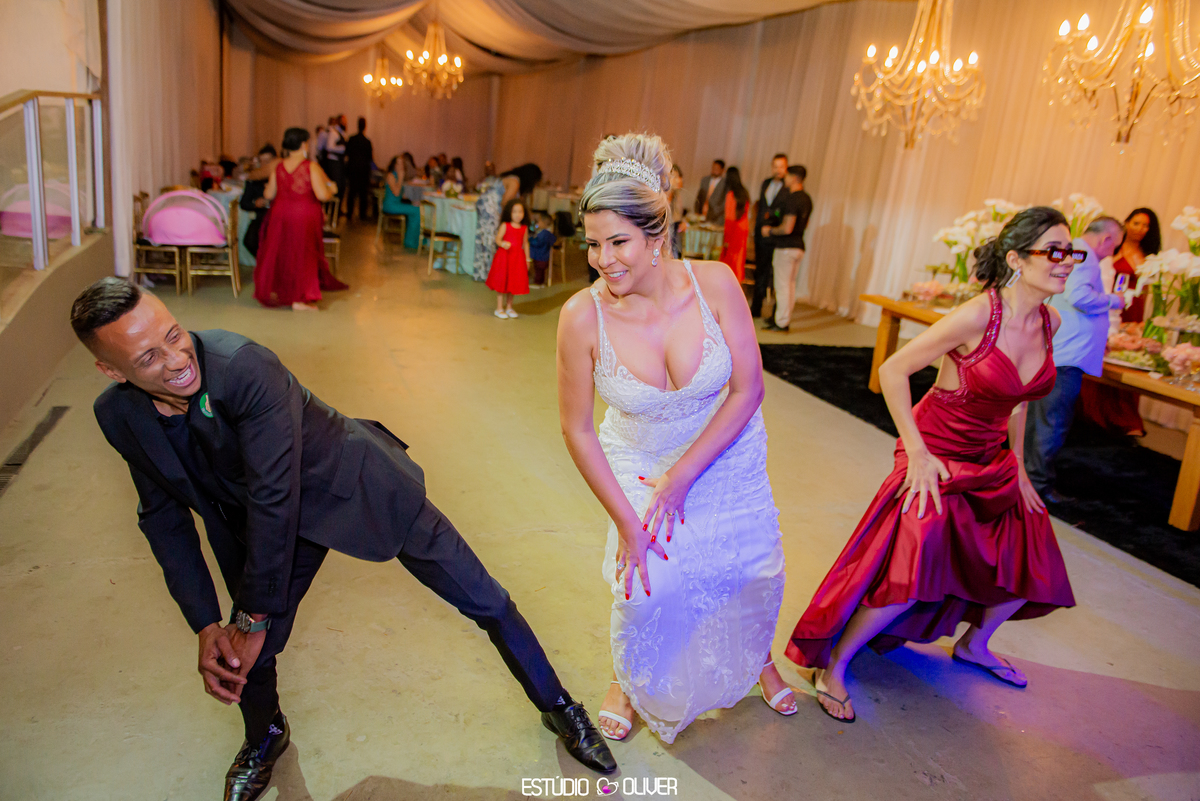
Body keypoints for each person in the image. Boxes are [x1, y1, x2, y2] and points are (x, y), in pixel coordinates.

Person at [69, 279, 617, 800]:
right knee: (245, 655)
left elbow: (275, 495)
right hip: (260, 523)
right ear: (111, 370)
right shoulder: (118, 417)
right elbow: (162, 517)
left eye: (173, 334)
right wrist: (207, 624)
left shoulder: (242, 366)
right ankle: (265, 735)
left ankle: (558, 705)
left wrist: (251, 617)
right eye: (149, 358)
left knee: (487, 601)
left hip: (352, 485)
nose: (176, 359)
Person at [786, 207, 1078, 723]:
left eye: (1071, 251)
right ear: (1016, 259)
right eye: (1054, 251)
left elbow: (1018, 402)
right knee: (914, 564)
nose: (1066, 261)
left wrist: (1018, 465)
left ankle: (974, 645)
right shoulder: (978, 315)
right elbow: (893, 369)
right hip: (937, 452)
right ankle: (835, 664)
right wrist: (917, 452)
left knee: (1031, 557)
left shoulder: (1050, 322)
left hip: (991, 458)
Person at [556, 133, 794, 745]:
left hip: (723, 448)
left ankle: (757, 658)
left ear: (656, 235)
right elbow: (577, 428)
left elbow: (748, 389)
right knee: (645, 589)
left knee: (750, 574)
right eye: (593, 244)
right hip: (638, 458)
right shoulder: (581, 316)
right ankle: (628, 677)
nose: (603, 260)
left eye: (618, 242)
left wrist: (685, 474)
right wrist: (627, 521)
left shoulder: (715, 284)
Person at [1024, 217, 1125, 504]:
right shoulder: (1084, 256)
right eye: (1115, 247)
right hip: (1067, 354)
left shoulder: (1073, 251)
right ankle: (1038, 486)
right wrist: (1114, 300)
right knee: (1052, 422)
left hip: (1057, 349)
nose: (1112, 253)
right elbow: (1079, 296)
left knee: (1038, 419)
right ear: (1106, 239)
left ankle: (1026, 479)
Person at [1077, 207, 1162, 437]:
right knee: (1107, 354)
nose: (1141, 229)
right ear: (1127, 224)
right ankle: (1095, 415)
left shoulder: (1149, 254)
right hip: (1112, 301)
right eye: (1136, 223)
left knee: (1129, 356)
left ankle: (1125, 417)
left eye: (1146, 225)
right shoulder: (1111, 250)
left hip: (1134, 308)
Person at [252, 127, 347, 311]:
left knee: (284, 253)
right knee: (304, 255)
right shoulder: (310, 166)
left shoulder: (278, 166)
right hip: (303, 215)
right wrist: (331, 189)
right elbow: (322, 195)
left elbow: (268, 194)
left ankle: (283, 291)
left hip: (280, 214)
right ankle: (300, 299)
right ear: (304, 144)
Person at [760, 165, 812, 332]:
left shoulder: (792, 199)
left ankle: (781, 322)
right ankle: (784, 319)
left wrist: (769, 231)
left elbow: (787, 227)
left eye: (788, 176)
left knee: (782, 286)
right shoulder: (807, 199)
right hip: (798, 246)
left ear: (795, 178)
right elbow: (805, 224)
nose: (785, 179)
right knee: (790, 286)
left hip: (786, 247)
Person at [752, 154, 788, 319]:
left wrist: (772, 220)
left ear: (786, 168)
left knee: (776, 276)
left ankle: (776, 314)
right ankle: (756, 307)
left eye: (781, 166)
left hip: (776, 236)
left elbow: (783, 213)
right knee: (760, 271)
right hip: (761, 235)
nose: (778, 170)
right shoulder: (766, 183)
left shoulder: (788, 187)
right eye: (775, 166)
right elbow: (761, 208)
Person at [487, 199, 531, 318]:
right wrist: (502, 244)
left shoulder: (524, 228)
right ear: (509, 213)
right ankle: (499, 308)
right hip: (504, 257)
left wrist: (527, 259)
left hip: (517, 258)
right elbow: (498, 239)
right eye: (514, 212)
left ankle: (509, 307)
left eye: (520, 212)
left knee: (513, 282)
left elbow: (525, 243)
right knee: (502, 281)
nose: (517, 215)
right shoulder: (505, 226)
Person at [718, 166, 751, 282]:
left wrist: (726, 239)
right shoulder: (744, 193)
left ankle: (729, 283)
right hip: (743, 230)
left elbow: (729, 218)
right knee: (739, 259)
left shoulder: (731, 195)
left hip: (733, 231)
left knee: (729, 259)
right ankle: (737, 282)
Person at [381, 155, 421, 249]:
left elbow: (401, 195)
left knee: (417, 208)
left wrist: (414, 201)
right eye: (399, 163)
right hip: (390, 205)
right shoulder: (391, 175)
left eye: (402, 163)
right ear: (394, 165)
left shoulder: (397, 175)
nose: (401, 166)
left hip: (397, 204)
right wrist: (400, 178)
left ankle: (413, 240)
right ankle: (411, 242)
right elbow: (396, 193)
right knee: (416, 211)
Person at [344, 117, 374, 223]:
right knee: (363, 194)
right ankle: (362, 215)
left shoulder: (352, 139)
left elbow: (346, 153)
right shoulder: (367, 142)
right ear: (365, 126)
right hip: (363, 171)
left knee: (351, 193)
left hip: (352, 170)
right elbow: (370, 158)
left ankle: (349, 214)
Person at [322, 116, 347, 205]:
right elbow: (329, 147)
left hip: (339, 163)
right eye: (344, 122)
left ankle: (338, 208)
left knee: (342, 186)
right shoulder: (333, 133)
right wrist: (341, 149)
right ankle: (332, 207)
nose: (345, 124)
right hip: (333, 163)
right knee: (336, 186)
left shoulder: (341, 133)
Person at [693, 159, 726, 225]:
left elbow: (724, 203)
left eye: (716, 168)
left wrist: (713, 213)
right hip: (701, 215)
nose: (714, 170)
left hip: (716, 218)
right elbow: (699, 197)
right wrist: (697, 211)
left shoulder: (725, 184)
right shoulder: (705, 180)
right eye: (713, 168)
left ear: (722, 170)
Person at [529, 210, 557, 287]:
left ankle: (538, 283)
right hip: (545, 256)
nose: (537, 223)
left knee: (539, 270)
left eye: (539, 221)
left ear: (544, 223)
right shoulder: (548, 233)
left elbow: (537, 243)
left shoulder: (543, 234)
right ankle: (541, 282)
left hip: (539, 256)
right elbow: (553, 240)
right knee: (541, 271)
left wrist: (530, 239)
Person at [667, 164, 687, 260]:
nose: (678, 180)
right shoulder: (660, 198)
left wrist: (682, 222)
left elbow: (677, 217)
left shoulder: (676, 197)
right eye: (674, 177)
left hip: (673, 244)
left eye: (679, 177)